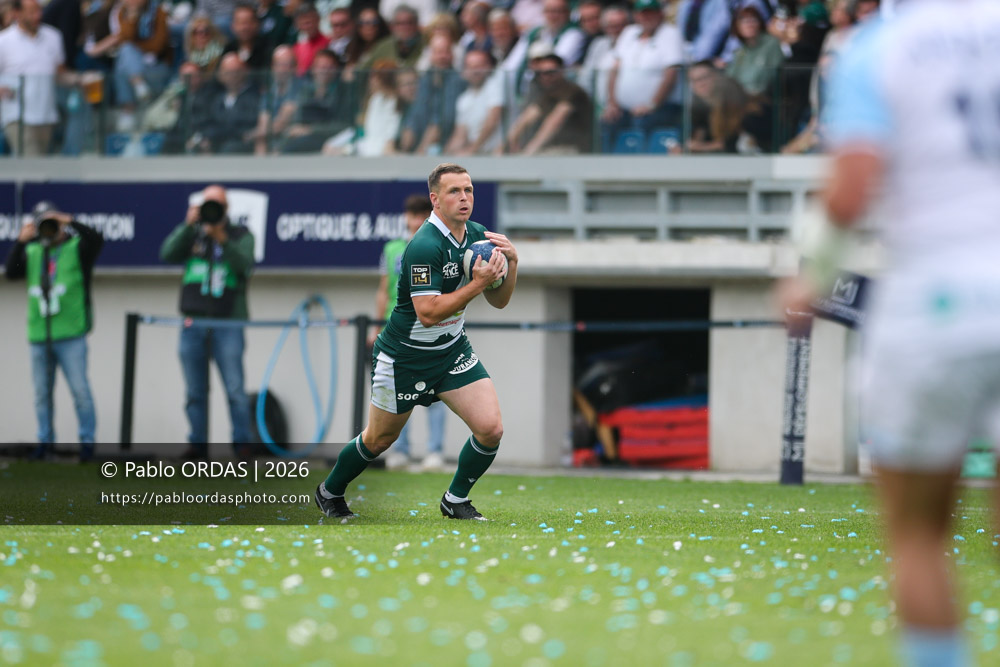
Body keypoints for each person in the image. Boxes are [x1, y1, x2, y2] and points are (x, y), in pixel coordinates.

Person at [779, 3, 1000, 666]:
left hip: (934, 303)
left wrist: (806, 276)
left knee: (918, 533)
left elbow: (850, 189)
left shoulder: (881, 46)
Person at [316, 162, 518, 521]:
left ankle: (455, 500)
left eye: (469, 190)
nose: (464, 197)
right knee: (378, 441)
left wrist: (512, 264)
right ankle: (328, 491)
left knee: (491, 428)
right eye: (454, 191)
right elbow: (428, 313)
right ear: (435, 199)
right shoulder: (423, 246)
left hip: (452, 351)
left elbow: (499, 301)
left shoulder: (478, 236)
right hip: (404, 358)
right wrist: (477, 283)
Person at [159, 184, 255, 458]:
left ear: (227, 209)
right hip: (193, 322)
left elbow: (244, 264)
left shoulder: (241, 234)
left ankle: (242, 444)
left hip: (229, 322)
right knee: (194, 391)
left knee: (235, 390)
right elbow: (167, 253)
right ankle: (197, 444)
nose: (212, 211)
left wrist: (222, 238)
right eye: (207, 204)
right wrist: (187, 227)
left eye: (218, 205)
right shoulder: (192, 233)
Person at [4, 202, 103, 460]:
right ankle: (45, 443)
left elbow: (95, 239)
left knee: (80, 391)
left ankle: (87, 444)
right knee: (41, 394)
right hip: (39, 335)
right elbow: (12, 273)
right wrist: (21, 241)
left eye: (52, 224)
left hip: (71, 334)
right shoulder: (34, 250)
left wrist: (67, 220)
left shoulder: (76, 248)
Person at [370, 195, 448, 471]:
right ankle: (399, 451)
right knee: (397, 391)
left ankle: (434, 452)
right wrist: (377, 326)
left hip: (429, 328)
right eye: (411, 215)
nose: (415, 221)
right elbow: (383, 289)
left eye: (420, 215)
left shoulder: (439, 246)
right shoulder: (392, 249)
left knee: (438, 392)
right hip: (397, 330)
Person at [600, 0, 683, 154]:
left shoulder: (670, 34)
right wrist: (612, 104)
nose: (646, 16)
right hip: (624, 108)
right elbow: (614, 70)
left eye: (650, 12)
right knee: (606, 123)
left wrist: (652, 104)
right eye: (642, 12)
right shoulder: (628, 33)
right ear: (636, 15)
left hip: (661, 107)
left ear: (660, 13)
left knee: (642, 124)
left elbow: (671, 73)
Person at [0, 0, 72, 156]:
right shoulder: (3, 41)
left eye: (39, 11)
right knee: (32, 164)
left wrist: (80, 80)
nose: (38, 16)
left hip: (47, 115)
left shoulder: (53, 36)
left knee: (39, 169)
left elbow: (60, 73)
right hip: (17, 117)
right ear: (17, 13)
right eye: (31, 12)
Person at [503, 47, 593, 154]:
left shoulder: (573, 92)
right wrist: (505, 144)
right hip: (551, 148)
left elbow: (553, 123)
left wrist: (528, 152)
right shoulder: (548, 94)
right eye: (540, 73)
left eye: (550, 72)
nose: (545, 77)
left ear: (562, 71)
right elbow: (526, 118)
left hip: (572, 149)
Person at [397, 32, 463, 154]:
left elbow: (443, 119)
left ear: (452, 55)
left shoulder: (457, 80)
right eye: (438, 52)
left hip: (443, 148)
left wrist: (420, 151)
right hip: (418, 147)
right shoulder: (424, 79)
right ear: (431, 55)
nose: (442, 56)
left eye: (446, 52)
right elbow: (414, 115)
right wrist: (404, 150)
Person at [445, 49, 502, 155]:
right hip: (477, 155)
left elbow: (492, 120)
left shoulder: (494, 85)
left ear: (489, 67)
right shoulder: (464, 99)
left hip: (496, 155)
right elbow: (460, 134)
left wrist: (472, 150)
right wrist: (446, 155)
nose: (475, 71)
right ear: (464, 71)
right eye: (470, 66)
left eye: (479, 66)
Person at [362, 5, 424, 70]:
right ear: (392, 26)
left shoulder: (425, 43)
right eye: (400, 23)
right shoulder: (383, 46)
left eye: (409, 22)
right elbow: (362, 70)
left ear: (417, 24)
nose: (405, 27)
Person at [222, 2, 271, 71]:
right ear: (232, 26)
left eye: (248, 22)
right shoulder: (229, 48)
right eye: (240, 23)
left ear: (257, 24)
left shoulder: (267, 48)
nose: (244, 28)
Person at [291, 3, 329, 76]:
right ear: (298, 25)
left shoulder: (329, 42)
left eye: (310, 22)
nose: (308, 26)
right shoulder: (297, 48)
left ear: (318, 20)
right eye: (304, 23)